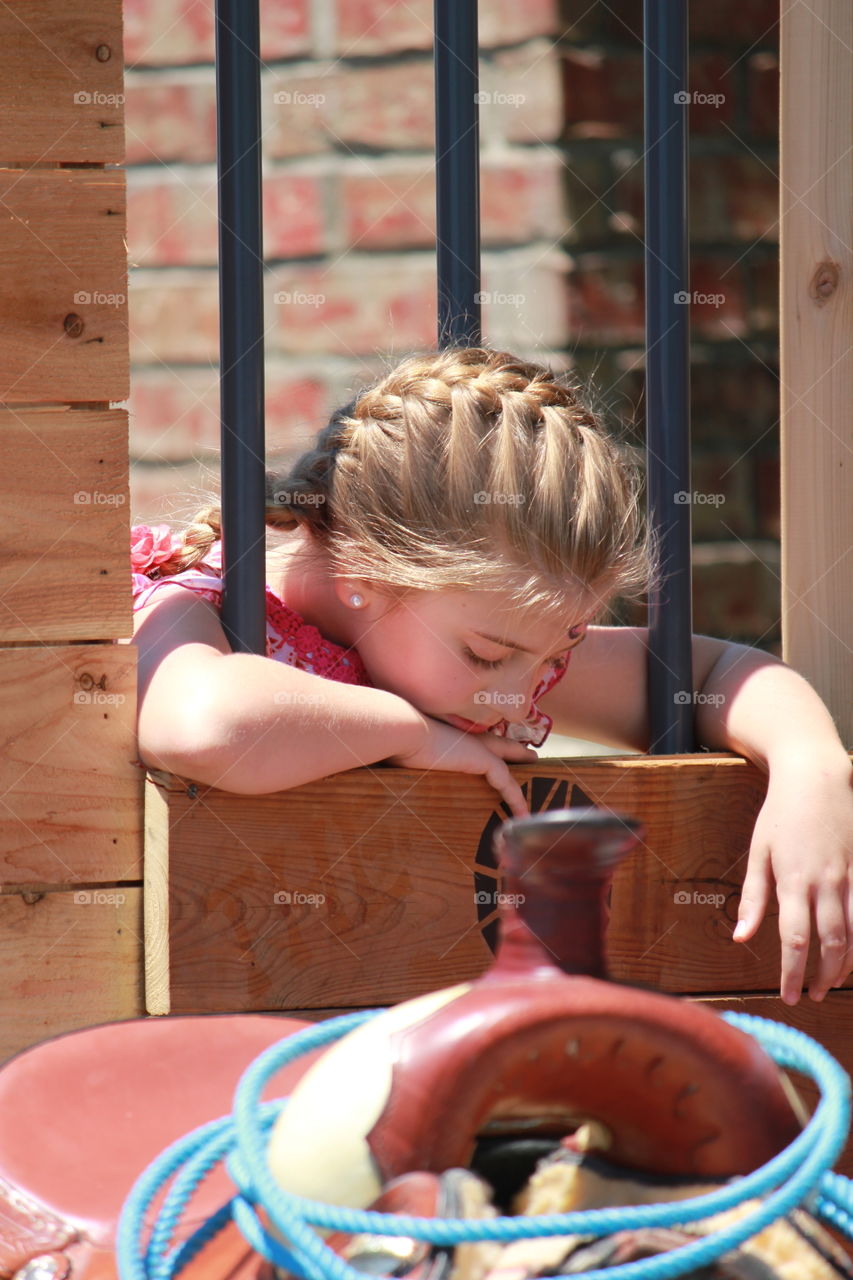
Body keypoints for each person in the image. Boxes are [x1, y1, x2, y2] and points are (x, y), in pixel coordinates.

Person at [130, 347, 852, 1006]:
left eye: (559, 648)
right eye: (485, 654)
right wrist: (413, 734)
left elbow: (714, 670)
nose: (519, 692)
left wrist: (810, 770)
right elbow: (203, 727)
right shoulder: (193, 604)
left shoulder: (498, 648)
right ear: (361, 569)